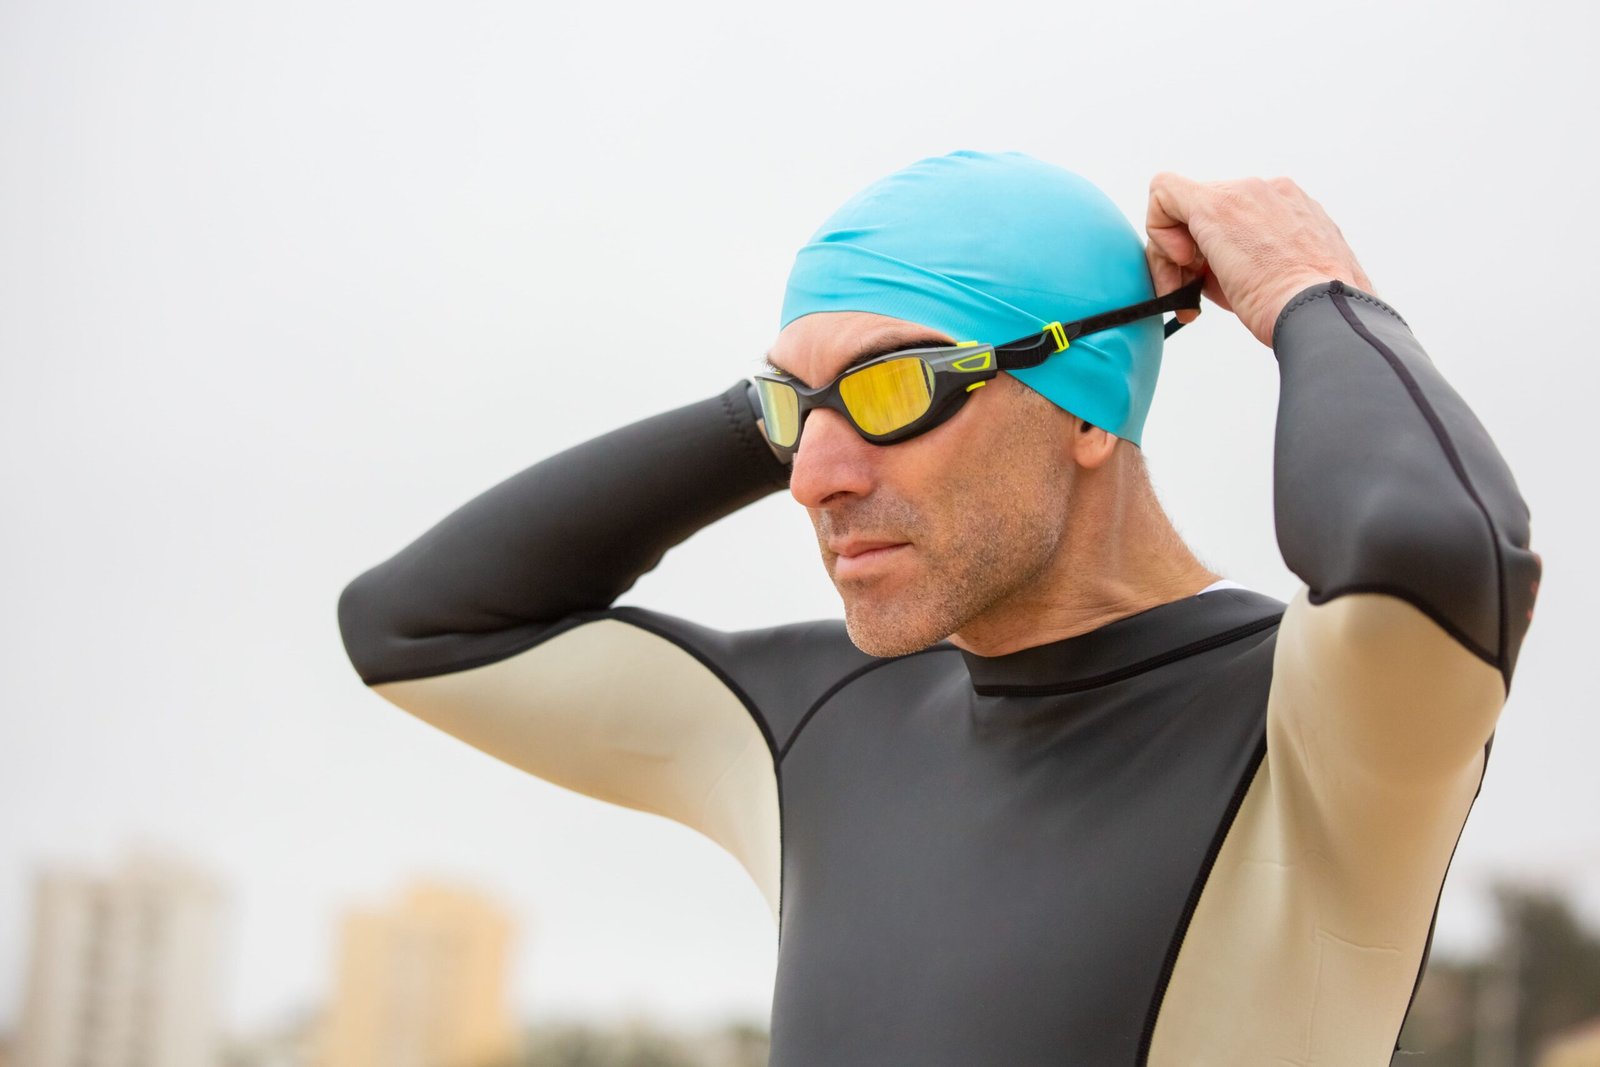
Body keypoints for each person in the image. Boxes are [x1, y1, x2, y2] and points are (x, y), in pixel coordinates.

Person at [337, 151, 1539, 1065]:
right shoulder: (809, 721)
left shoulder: (1321, 725)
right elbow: (413, 627)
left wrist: (1307, 293)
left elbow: (1430, 546)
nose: (811, 478)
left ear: (1084, 411)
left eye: (896, 387)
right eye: (792, 416)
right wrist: (791, 393)